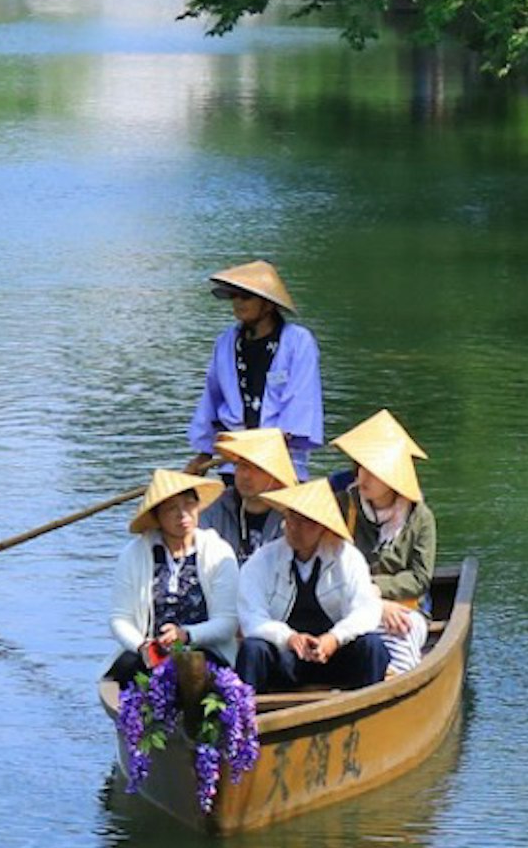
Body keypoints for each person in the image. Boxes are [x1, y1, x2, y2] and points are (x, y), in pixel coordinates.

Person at [234, 479, 383, 693]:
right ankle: (246, 717)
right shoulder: (263, 559)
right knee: (252, 649)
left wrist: (334, 639)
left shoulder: (347, 557)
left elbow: (366, 611)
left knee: (372, 646)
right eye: (291, 518)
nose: (295, 527)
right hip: (287, 657)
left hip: (334, 656)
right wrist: (289, 638)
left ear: (322, 526)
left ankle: (371, 712)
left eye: (306, 521)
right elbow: (251, 616)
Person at [187, 260, 322, 482]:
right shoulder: (226, 342)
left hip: (280, 463)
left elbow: (300, 403)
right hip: (234, 464)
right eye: (234, 296)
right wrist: (204, 454)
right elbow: (212, 399)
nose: (238, 303)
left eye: (246, 297)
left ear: (268, 304)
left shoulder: (298, 342)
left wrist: (266, 447)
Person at [106, 468, 240, 686]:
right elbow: (119, 618)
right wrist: (143, 646)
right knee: (128, 666)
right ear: (157, 516)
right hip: (150, 652)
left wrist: (186, 635)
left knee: (194, 669)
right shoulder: (135, 554)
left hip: (203, 650)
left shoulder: (218, 552)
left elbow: (227, 623)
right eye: (171, 509)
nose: (183, 514)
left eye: (189, 504)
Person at [333, 411, 437, 674]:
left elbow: (419, 578)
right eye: (359, 467)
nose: (362, 477)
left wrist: (378, 589)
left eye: (373, 471)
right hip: (347, 599)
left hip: (404, 606)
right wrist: (372, 600)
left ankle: (396, 684)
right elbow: (328, 563)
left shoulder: (420, 517)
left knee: (404, 630)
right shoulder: (344, 504)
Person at [199, 427, 296, 562]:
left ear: (276, 476)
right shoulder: (213, 508)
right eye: (242, 466)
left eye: (258, 469)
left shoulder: (294, 518)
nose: (246, 476)